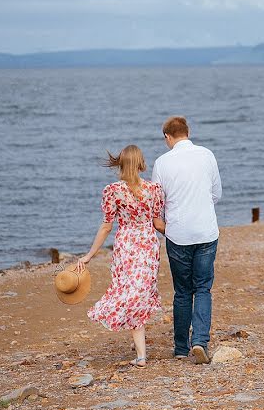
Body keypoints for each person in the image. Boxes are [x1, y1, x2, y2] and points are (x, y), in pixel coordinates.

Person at [80, 145, 165, 368]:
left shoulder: (113, 191)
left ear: (121, 163)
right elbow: (157, 224)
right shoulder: (154, 190)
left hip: (126, 246)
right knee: (139, 294)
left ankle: (141, 354)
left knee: (130, 293)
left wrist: (90, 254)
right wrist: (182, 234)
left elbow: (106, 227)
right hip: (147, 246)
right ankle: (141, 354)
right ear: (140, 163)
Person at [152, 116, 222, 365]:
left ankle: (181, 347)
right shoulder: (207, 155)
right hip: (205, 231)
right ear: (188, 132)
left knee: (182, 291)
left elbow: (156, 202)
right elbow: (216, 194)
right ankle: (200, 341)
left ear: (167, 137)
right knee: (203, 287)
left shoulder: (162, 163)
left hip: (178, 234)